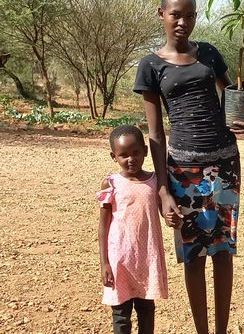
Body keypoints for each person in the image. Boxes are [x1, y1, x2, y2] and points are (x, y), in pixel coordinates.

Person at [133, 0, 244, 334]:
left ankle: (221, 330)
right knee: (192, 254)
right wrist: (162, 191)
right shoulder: (151, 66)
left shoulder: (209, 55)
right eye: (175, 14)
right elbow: (156, 135)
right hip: (182, 170)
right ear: (161, 14)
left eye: (189, 15)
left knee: (222, 250)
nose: (182, 22)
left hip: (225, 163)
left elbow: (233, 96)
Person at [97, 125, 168, 334]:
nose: (131, 159)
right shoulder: (111, 183)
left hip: (147, 259)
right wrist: (104, 263)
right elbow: (103, 226)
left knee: (146, 309)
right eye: (124, 155)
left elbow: (164, 211)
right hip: (120, 260)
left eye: (136, 152)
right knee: (121, 313)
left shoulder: (155, 181)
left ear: (145, 151)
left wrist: (172, 217)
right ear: (114, 156)